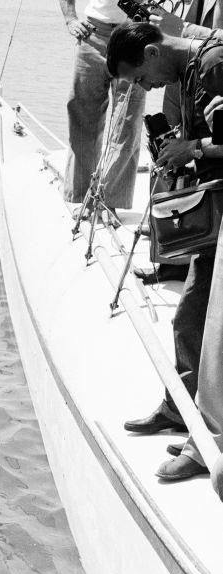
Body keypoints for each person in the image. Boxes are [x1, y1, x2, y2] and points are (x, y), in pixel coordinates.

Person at [107, 20, 223, 480]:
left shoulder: (213, 64)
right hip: (214, 215)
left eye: (139, 77)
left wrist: (192, 147)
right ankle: (184, 412)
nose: (144, 87)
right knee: (190, 317)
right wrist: (184, 149)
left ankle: (204, 441)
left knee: (204, 324)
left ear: (153, 53)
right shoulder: (194, 69)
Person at [58, 0, 146, 213]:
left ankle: (110, 202)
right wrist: (70, 19)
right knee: (83, 117)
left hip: (134, 36)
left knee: (127, 123)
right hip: (93, 33)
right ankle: (84, 196)